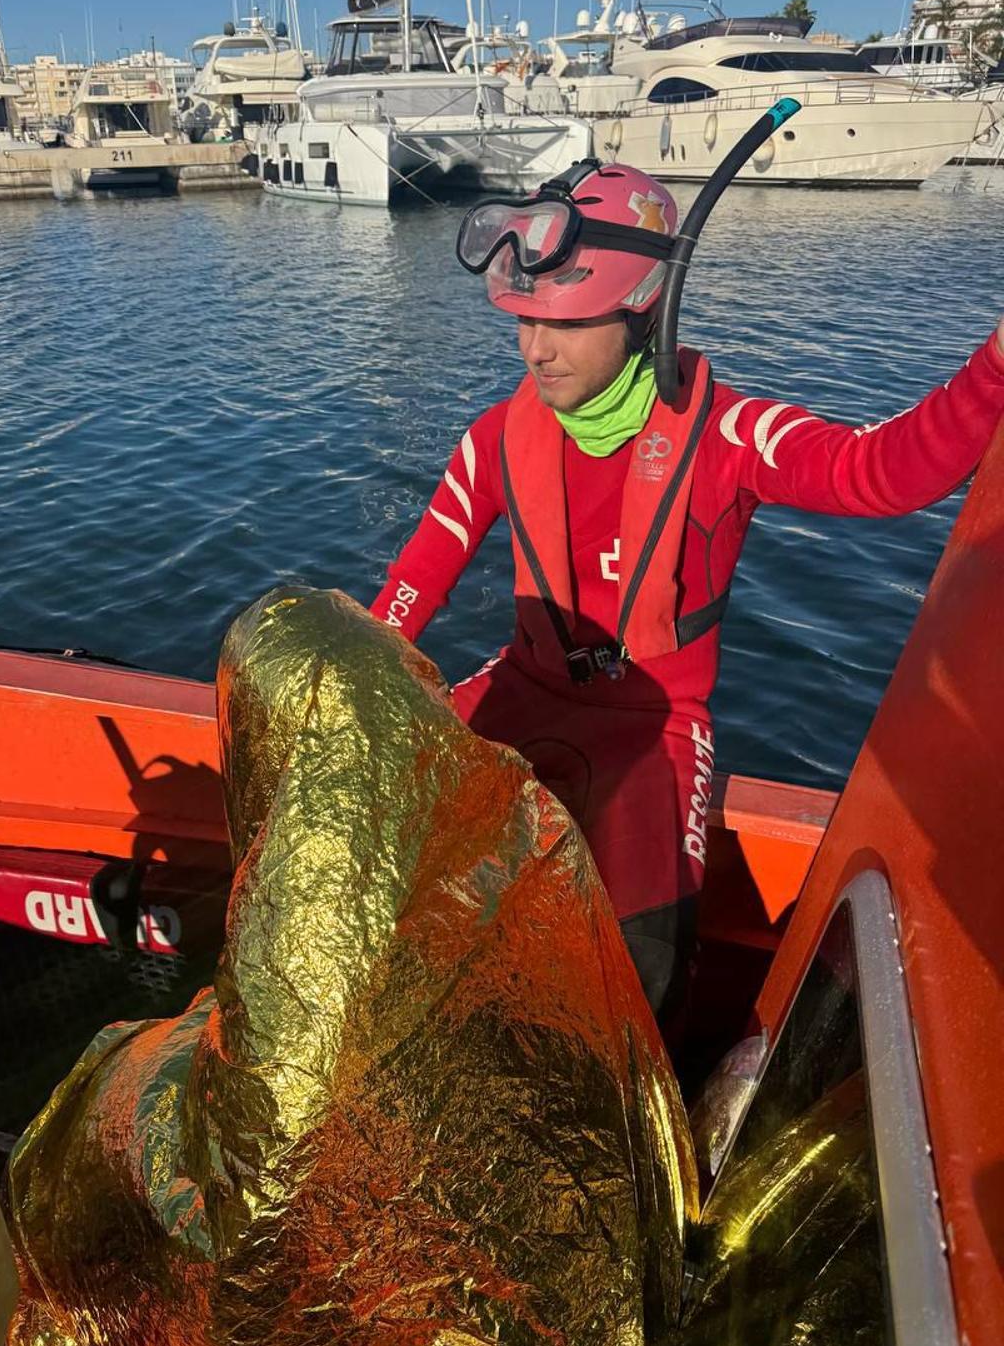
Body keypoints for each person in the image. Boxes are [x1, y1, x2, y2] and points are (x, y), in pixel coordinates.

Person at [369, 160, 1004, 1017]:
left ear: (644, 306)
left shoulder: (728, 436)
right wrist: (359, 677)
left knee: (644, 968)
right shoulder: (496, 437)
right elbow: (415, 581)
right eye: (524, 319)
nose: (534, 349)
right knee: (375, 840)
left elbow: (881, 471)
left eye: (566, 322)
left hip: (658, 721)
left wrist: (994, 368)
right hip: (525, 686)